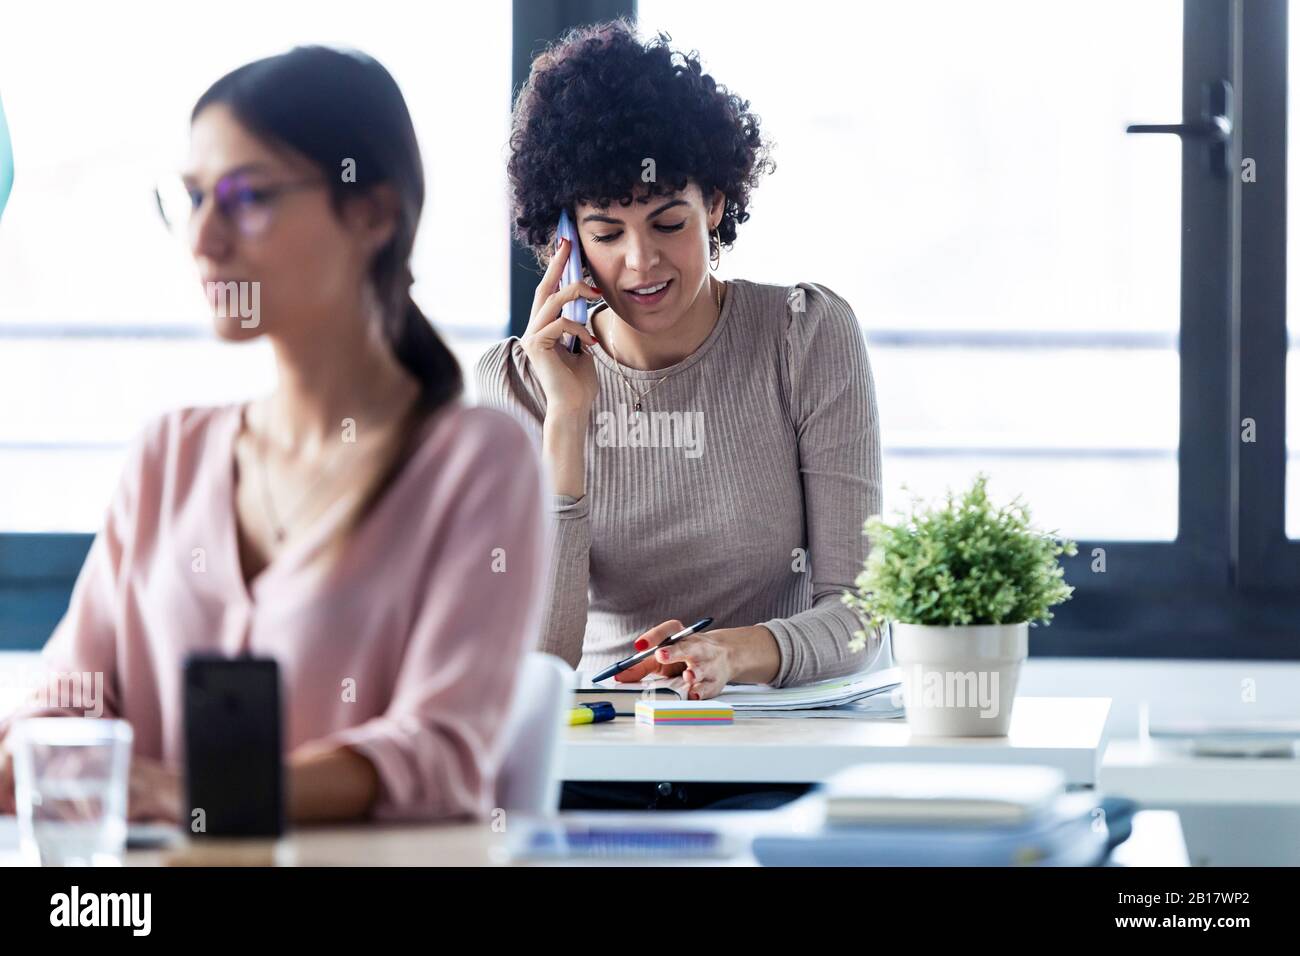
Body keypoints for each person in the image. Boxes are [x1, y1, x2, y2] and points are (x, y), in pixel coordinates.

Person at [0, 46, 546, 824]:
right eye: (190, 198)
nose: (203, 238)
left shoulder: (477, 464)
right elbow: (65, 698)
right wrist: (36, 748)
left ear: (373, 212)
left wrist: (190, 798)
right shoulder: (170, 455)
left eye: (245, 196)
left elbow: (438, 755)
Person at [476, 21, 883, 810]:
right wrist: (566, 426)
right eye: (604, 232)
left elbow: (862, 614)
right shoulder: (517, 386)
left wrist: (734, 653)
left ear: (717, 204)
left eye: (668, 222)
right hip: (590, 766)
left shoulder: (805, 337)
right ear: (563, 241)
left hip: (772, 764)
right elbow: (535, 667)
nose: (640, 263)